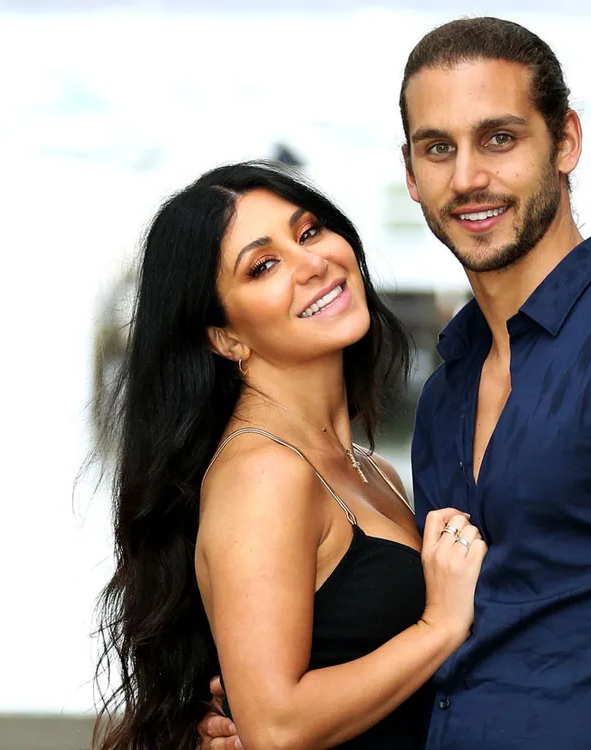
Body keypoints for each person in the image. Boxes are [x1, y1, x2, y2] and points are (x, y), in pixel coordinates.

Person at [200, 15, 591, 750]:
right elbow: (464, 647)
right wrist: (272, 726)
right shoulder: (448, 392)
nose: (468, 177)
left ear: (566, 142)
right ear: (411, 174)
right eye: (438, 148)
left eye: (499, 139)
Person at [93, 161, 488, 750]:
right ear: (225, 336)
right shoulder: (263, 473)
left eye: (308, 232)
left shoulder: (371, 469)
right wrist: (440, 627)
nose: (311, 263)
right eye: (263, 266)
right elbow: (276, 726)